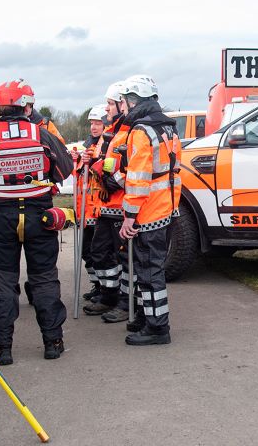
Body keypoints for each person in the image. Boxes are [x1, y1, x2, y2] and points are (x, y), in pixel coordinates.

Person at [0, 79, 73, 363]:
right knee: (44, 279)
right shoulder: (42, 134)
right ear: (26, 105)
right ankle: (53, 343)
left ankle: (2, 349)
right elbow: (64, 168)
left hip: (1, 217)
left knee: (2, 281)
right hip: (40, 215)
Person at [113, 75, 181, 345]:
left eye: (123, 102)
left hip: (148, 213)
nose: (122, 108)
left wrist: (129, 216)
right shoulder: (168, 127)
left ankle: (157, 328)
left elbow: (138, 178)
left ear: (132, 101)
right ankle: (147, 316)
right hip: (165, 207)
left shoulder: (141, 131)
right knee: (148, 269)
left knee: (150, 271)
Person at [87, 83, 133, 320]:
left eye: (110, 104)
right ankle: (108, 296)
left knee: (124, 258)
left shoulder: (128, 132)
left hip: (123, 207)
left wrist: (110, 178)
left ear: (122, 105)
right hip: (106, 206)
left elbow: (133, 171)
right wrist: (96, 166)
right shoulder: (112, 132)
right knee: (100, 252)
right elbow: (107, 162)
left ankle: (126, 304)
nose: (106, 109)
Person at [69, 104, 107, 304]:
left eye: (98, 123)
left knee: (98, 253)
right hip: (84, 211)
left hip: (98, 210)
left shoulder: (105, 145)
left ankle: (105, 288)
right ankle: (97, 284)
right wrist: (76, 161)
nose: (93, 127)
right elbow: (79, 176)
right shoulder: (88, 145)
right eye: (92, 123)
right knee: (86, 252)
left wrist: (91, 161)